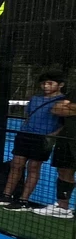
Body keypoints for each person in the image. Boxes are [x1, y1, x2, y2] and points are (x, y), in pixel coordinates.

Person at [0, 74, 65, 210]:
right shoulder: (35, 99)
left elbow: (63, 124)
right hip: (25, 135)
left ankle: (23, 200)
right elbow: (29, 116)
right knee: (16, 165)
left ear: (60, 85)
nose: (46, 86)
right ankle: (6, 196)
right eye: (43, 83)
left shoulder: (63, 102)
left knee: (33, 168)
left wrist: (51, 136)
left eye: (50, 83)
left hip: (42, 138)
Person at [38, 75, 76, 219]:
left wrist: (69, 106)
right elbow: (56, 109)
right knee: (64, 170)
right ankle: (62, 207)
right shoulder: (74, 91)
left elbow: (64, 107)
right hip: (67, 137)